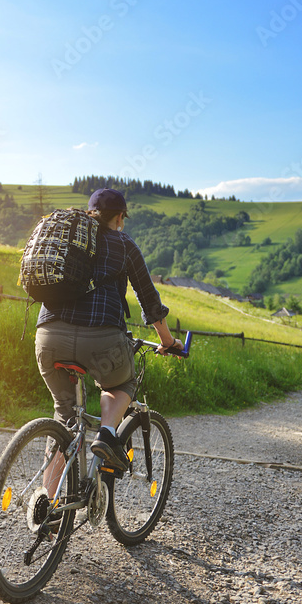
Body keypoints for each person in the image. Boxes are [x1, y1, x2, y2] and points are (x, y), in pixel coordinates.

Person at [35, 187, 182, 471]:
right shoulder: (123, 243)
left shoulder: (67, 240)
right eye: (122, 218)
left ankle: (48, 503)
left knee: (63, 418)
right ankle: (107, 434)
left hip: (49, 336)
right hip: (101, 338)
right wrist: (168, 340)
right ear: (118, 217)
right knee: (121, 383)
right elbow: (149, 300)